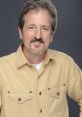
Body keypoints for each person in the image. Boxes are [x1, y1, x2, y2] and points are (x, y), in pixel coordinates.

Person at [0, 0, 82, 117]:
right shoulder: (2, 70)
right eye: (31, 27)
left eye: (45, 28)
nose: (38, 35)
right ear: (20, 32)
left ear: (52, 35)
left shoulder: (65, 64)